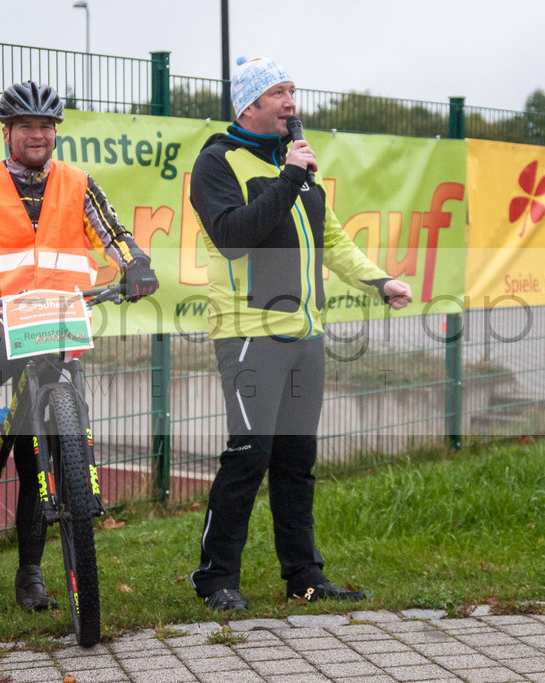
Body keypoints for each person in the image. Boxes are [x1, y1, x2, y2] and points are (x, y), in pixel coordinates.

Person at [0, 81, 158, 612]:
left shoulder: (78, 182)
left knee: (38, 455)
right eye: (26, 126)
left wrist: (136, 265)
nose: (37, 134)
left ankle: (30, 574)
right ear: (7, 132)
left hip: (56, 319)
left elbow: (113, 233)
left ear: (55, 133)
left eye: (46, 126)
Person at [188, 57, 412, 611]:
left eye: (292, 91)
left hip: (306, 336)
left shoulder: (297, 164)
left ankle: (305, 578)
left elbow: (331, 239)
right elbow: (233, 237)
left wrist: (378, 281)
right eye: (278, 93)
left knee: (295, 459)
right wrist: (289, 177)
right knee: (248, 456)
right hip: (249, 333)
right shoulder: (217, 162)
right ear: (249, 105)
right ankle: (216, 579)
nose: (291, 102)